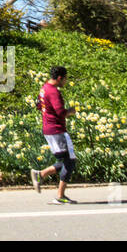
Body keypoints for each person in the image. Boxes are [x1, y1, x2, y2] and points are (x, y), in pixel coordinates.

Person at [31, 65, 78, 204]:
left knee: (63, 160)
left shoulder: (44, 88)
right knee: (70, 162)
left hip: (48, 129)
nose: (66, 82)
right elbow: (60, 112)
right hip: (57, 130)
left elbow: (38, 105)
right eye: (65, 79)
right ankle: (60, 196)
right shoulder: (53, 92)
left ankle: (40, 175)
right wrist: (70, 111)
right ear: (59, 78)